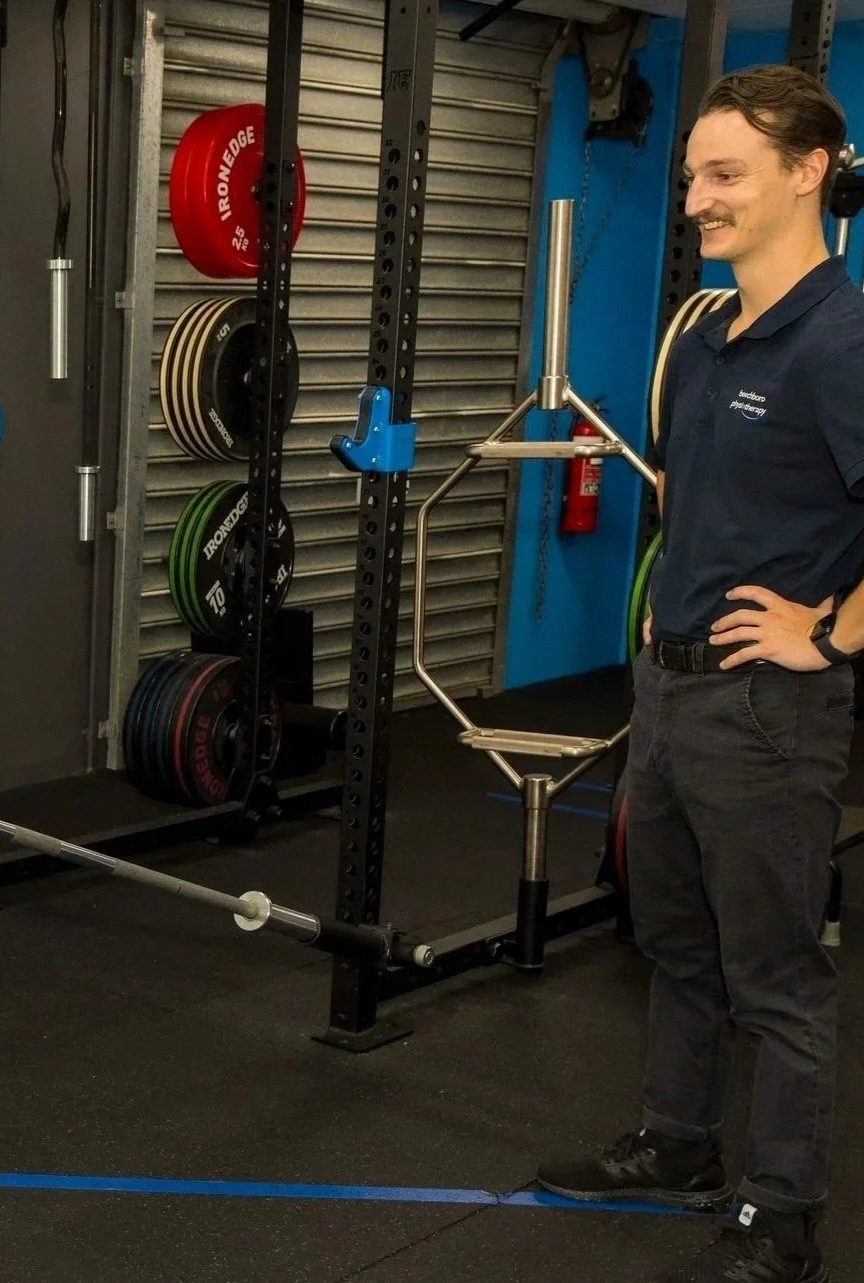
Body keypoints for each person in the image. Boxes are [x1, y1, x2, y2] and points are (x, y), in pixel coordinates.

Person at [537, 65, 863, 1283]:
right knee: (674, 937)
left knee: (775, 971)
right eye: (690, 179)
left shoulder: (843, 338)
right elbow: (690, 493)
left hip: (765, 706)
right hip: (669, 690)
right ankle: (678, 1141)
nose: (695, 202)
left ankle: (783, 1214)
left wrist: (826, 634)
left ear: (806, 170)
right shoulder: (714, 329)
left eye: (724, 175)